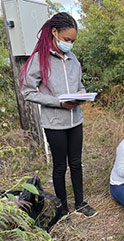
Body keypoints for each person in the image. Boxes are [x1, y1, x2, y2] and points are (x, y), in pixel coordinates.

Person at [21, 12, 97, 218]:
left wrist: (81, 94)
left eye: (72, 40)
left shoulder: (74, 60)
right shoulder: (39, 59)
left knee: (76, 163)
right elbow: (27, 91)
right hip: (54, 123)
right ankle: (62, 209)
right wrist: (58, 102)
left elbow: (79, 85)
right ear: (54, 33)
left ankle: (80, 203)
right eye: (66, 39)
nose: (70, 44)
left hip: (76, 120)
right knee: (60, 166)